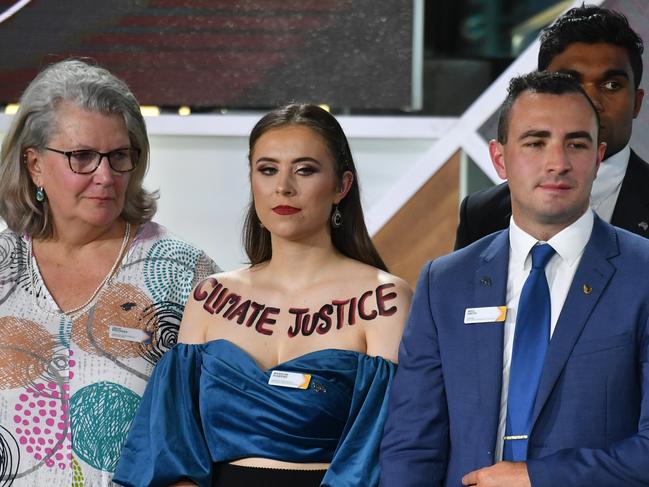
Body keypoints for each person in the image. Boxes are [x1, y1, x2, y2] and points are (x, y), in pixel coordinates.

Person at [114, 103, 412, 487]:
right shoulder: (210, 296)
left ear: (342, 186)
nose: (283, 187)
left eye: (305, 170)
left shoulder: (385, 300)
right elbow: (171, 450)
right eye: (267, 169)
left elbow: (384, 455)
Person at [380, 71, 649, 486]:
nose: (557, 163)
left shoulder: (642, 272)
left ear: (598, 157)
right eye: (536, 142)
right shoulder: (444, 282)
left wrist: (536, 478)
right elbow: (412, 444)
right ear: (500, 158)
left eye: (576, 144)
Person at [0, 59, 219, 486]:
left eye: (119, 156)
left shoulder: (181, 272)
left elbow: (221, 426)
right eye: (82, 156)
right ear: (34, 164)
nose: (105, 175)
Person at [455, 4, 648, 249]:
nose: (591, 102)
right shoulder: (482, 214)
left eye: (611, 85)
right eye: (569, 82)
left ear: (636, 103)